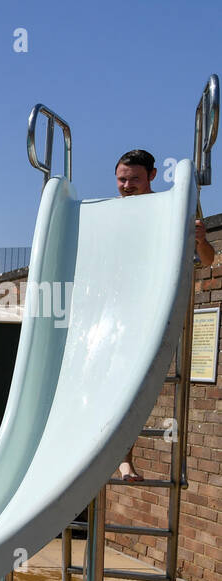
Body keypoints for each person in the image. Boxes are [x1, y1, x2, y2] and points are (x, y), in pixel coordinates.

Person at [112, 149, 216, 481]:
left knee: (135, 385)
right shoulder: (110, 215)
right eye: (122, 179)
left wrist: (199, 241)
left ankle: (124, 455)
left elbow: (209, 260)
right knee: (116, 384)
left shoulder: (171, 210)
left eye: (135, 179)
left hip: (151, 308)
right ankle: (118, 456)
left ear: (153, 176)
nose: (127, 185)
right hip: (115, 307)